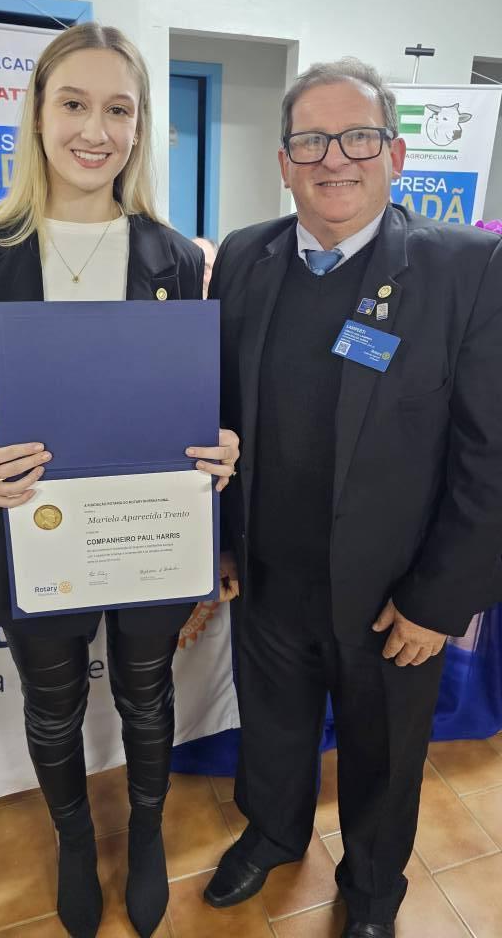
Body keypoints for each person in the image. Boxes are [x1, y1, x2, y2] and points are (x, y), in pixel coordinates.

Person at [0, 22, 239, 938]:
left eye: (119, 109)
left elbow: (198, 403)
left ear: (140, 127)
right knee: (53, 703)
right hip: (36, 531)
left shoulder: (175, 256)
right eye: (74, 103)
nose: (95, 130)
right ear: (38, 113)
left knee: (147, 696)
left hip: (146, 535)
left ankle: (144, 836)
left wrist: (220, 445)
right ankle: (74, 841)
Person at [204, 58, 502, 938]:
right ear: (284, 161)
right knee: (273, 728)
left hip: (391, 594)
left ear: (395, 154)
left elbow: (490, 453)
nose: (334, 158)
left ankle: (373, 887)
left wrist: (439, 601)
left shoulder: (468, 268)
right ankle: (272, 832)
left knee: (384, 753)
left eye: (359, 137)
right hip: (268, 574)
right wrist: (218, 542)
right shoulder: (245, 257)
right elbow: (218, 414)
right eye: (310, 141)